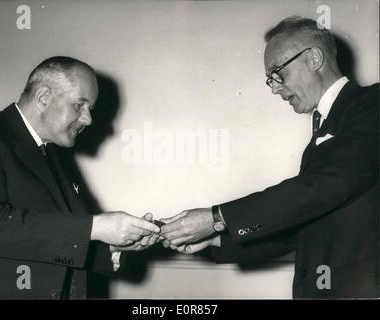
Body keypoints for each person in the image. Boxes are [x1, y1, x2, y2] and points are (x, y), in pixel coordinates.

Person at [160, 16, 379, 298]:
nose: (275, 88)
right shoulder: (324, 128)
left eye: (278, 73)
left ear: (313, 58)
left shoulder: (373, 104)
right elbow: (303, 227)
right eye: (270, 80)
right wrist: (214, 238)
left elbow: (321, 186)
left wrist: (217, 217)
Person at [0, 56, 161, 299]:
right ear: (43, 98)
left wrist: (112, 246)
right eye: (79, 106)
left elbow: (52, 241)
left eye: (89, 110)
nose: (88, 119)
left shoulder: (52, 154)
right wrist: (96, 227)